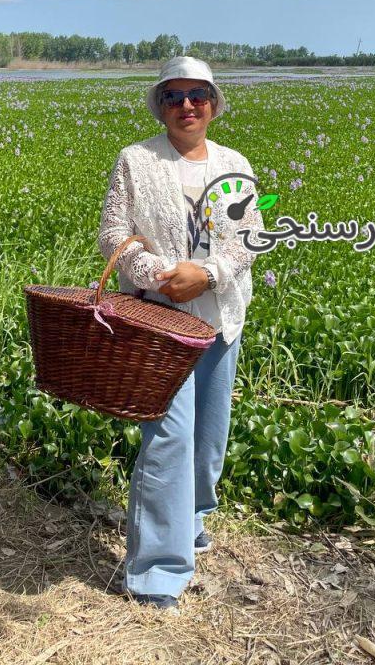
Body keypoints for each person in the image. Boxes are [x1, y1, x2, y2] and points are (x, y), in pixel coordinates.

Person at [98, 55, 265, 614]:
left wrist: (209, 274)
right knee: (167, 440)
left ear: (214, 104)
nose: (187, 105)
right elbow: (115, 238)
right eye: (174, 96)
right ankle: (156, 572)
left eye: (198, 95)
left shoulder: (235, 163)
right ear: (160, 105)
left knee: (208, 439)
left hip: (221, 320)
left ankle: (189, 521)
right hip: (159, 324)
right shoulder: (135, 161)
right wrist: (163, 278)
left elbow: (249, 238)